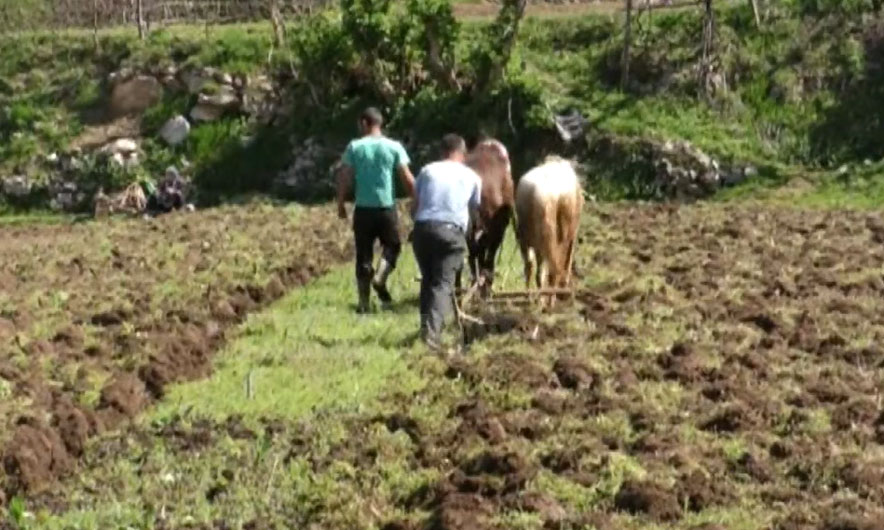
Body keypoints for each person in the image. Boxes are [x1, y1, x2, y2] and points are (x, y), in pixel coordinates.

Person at [336, 107, 415, 313]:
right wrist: (418, 198)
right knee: (393, 245)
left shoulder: (355, 147)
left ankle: (363, 303)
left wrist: (341, 203)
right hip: (386, 208)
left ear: (364, 123)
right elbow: (406, 178)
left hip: (363, 209)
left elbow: (345, 176)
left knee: (363, 255)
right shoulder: (394, 147)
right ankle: (380, 276)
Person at [411, 134, 482, 347]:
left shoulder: (427, 170)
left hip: (422, 230)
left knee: (428, 279)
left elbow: (415, 205)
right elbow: (475, 210)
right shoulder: (472, 176)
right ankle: (431, 337)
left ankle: (426, 327)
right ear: (463, 154)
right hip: (450, 233)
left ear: (442, 152)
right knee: (442, 284)